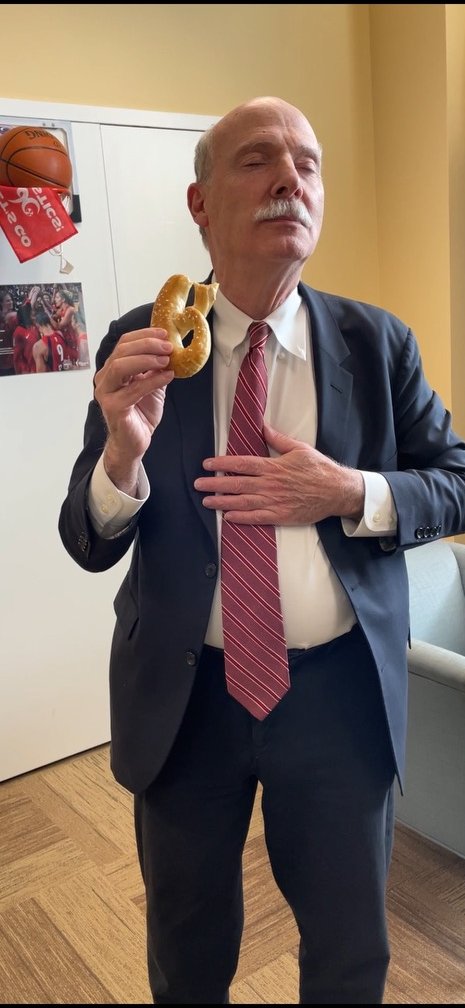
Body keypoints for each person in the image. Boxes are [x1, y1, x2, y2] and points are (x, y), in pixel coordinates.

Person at [58, 95, 465, 1005]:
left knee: (349, 943)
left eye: (307, 163)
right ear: (200, 203)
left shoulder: (376, 343)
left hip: (337, 695)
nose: (290, 178)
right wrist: (121, 452)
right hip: (185, 693)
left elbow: (457, 479)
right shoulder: (145, 345)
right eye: (256, 161)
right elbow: (86, 540)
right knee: (187, 941)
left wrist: (352, 492)